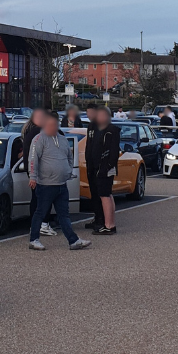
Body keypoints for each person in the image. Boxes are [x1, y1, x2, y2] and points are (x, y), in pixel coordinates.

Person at [28, 109, 86, 250]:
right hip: (45, 184)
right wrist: (33, 176)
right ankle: (34, 239)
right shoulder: (39, 139)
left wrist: (68, 170)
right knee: (40, 212)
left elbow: (69, 156)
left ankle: (73, 240)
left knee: (64, 214)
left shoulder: (63, 139)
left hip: (61, 184)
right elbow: (33, 159)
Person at [82, 106, 119, 234]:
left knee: (105, 195)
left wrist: (107, 166)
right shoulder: (96, 128)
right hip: (97, 167)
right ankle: (108, 223)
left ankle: (108, 225)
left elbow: (113, 152)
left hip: (104, 168)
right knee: (105, 194)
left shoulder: (110, 130)